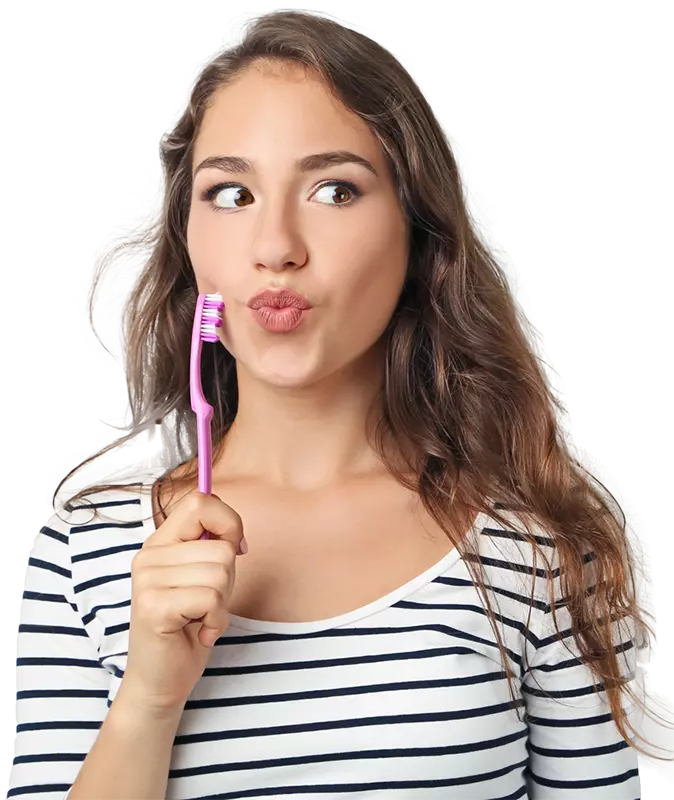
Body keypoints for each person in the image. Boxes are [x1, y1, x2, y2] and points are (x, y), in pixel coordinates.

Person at [7, 9, 671, 800]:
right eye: (230, 192)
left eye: (333, 189)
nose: (276, 244)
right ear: (189, 236)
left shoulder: (542, 555)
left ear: (418, 232)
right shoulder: (84, 556)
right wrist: (149, 702)